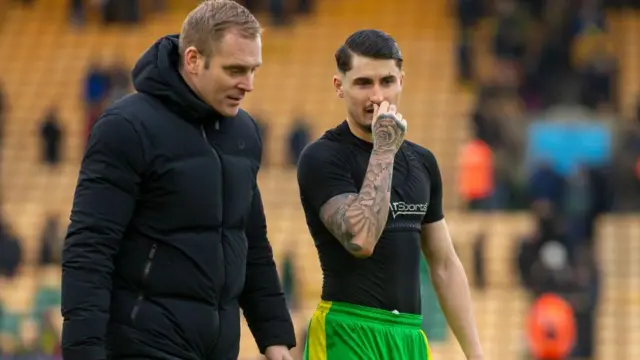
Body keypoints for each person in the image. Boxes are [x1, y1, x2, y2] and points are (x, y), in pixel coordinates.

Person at [61, 1, 295, 359]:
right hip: (141, 346)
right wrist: (84, 352)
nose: (247, 85)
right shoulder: (127, 127)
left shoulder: (245, 132)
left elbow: (250, 243)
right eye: (235, 70)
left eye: (253, 70)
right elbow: (90, 248)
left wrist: (274, 336)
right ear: (192, 60)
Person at [297, 30, 484, 360]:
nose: (377, 95)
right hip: (348, 332)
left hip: (409, 337)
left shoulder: (422, 162)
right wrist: (384, 149)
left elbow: (443, 263)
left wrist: (476, 354)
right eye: (363, 83)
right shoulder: (322, 157)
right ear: (339, 86)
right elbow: (361, 239)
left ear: (402, 81)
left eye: (387, 81)